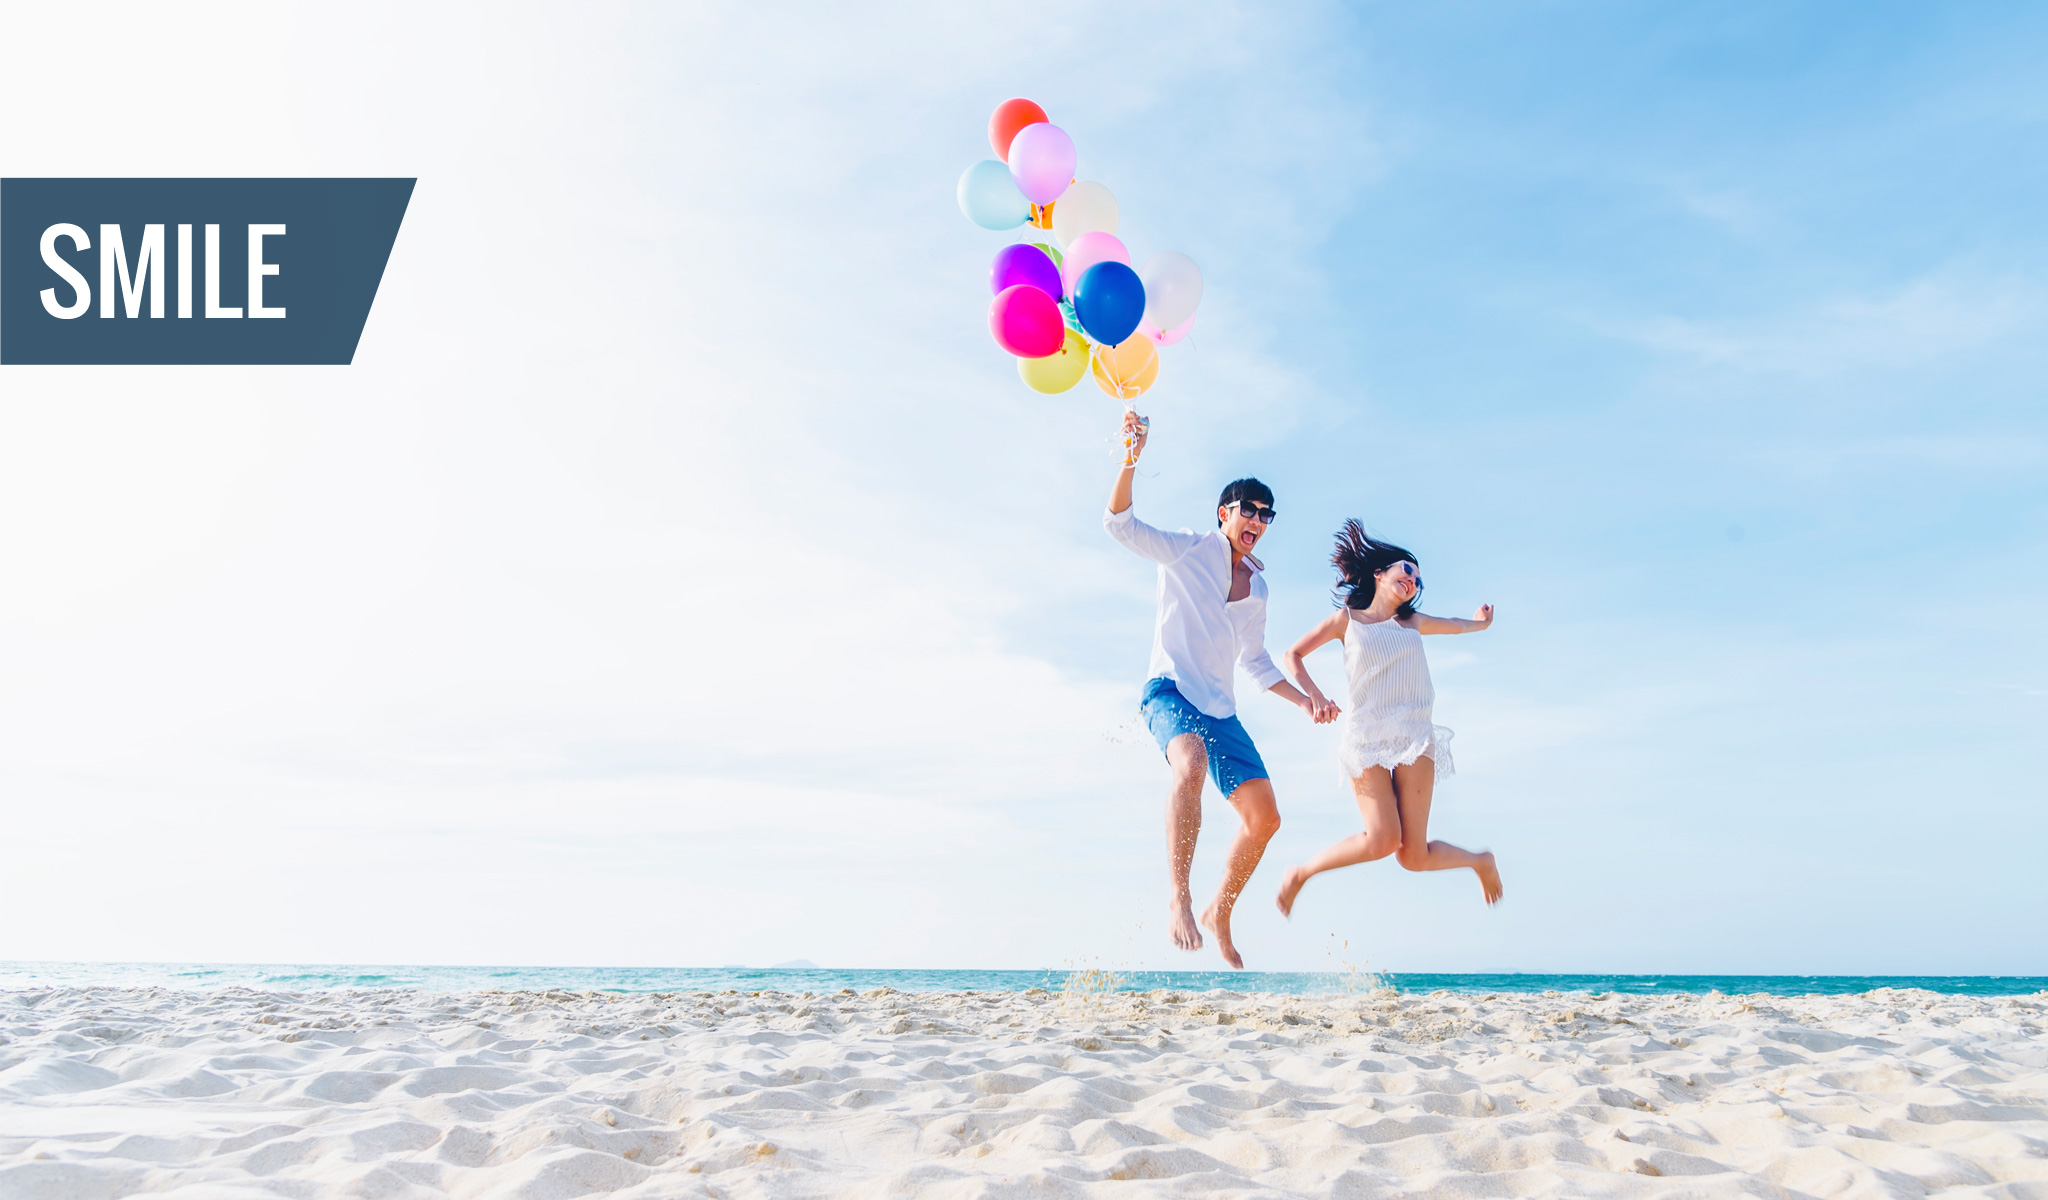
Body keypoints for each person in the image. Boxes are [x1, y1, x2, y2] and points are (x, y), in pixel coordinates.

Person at [1105, 410, 1338, 969]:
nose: (1258, 519)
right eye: (1248, 511)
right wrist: (1131, 457)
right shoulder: (1187, 549)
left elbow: (1255, 661)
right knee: (1189, 764)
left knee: (1265, 818)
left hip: (1221, 709)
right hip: (1169, 692)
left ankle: (1219, 911)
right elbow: (1119, 525)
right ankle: (1180, 900)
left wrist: (1306, 700)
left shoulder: (1257, 586)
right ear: (1224, 514)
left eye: (1266, 514)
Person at [1274, 520, 1505, 916]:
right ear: (1379, 574)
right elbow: (1292, 655)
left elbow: (1453, 626)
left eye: (1417, 578)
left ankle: (1480, 860)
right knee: (1382, 839)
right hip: (1365, 737)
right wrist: (1314, 696)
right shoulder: (1345, 620)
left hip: (1414, 735)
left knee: (1412, 856)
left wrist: (1481, 623)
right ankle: (1302, 873)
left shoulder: (1411, 623)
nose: (1413, 580)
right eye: (1406, 570)